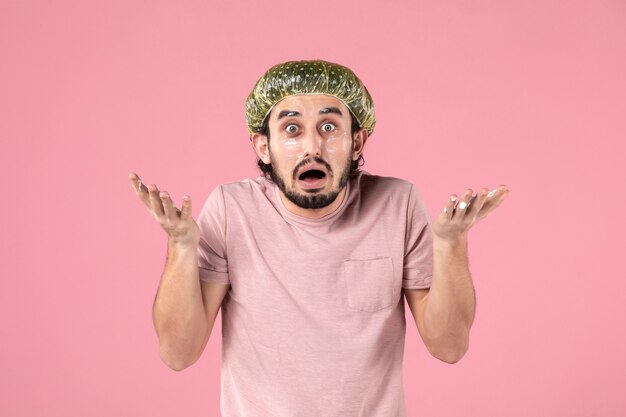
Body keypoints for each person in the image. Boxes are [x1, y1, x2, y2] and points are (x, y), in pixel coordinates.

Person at [129, 59, 509, 416]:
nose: (312, 146)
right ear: (264, 146)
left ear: (356, 142)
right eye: (292, 130)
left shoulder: (398, 204)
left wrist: (450, 245)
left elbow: (449, 346)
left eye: (329, 127)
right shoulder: (232, 210)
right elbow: (178, 353)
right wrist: (181, 247)